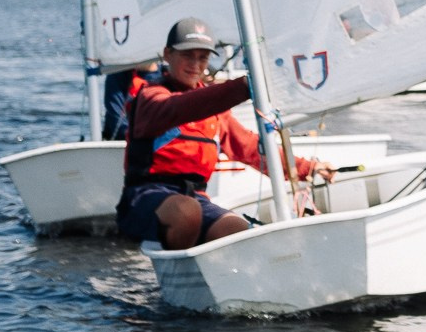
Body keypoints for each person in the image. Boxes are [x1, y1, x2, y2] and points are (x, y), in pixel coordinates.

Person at [115, 18, 333, 251]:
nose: (196, 65)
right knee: (186, 212)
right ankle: (179, 270)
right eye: (188, 55)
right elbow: (181, 107)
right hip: (144, 198)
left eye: (203, 58)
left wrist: (305, 168)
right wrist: (244, 87)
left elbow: (250, 148)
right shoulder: (152, 98)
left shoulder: (216, 113)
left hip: (196, 199)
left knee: (237, 230)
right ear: (167, 54)